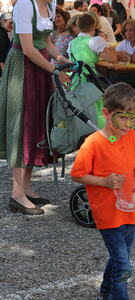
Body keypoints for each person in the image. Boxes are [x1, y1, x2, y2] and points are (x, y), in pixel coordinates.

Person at [70, 82, 135, 300]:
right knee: (123, 265)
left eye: (133, 118)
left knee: (119, 258)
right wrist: (103, 182)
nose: (128, 124)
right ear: (106, 113)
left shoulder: (132, 138)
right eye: (123, 117)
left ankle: (105, 291)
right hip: (108, 214)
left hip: (129, 209)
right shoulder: (93, 144)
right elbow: (77, 174)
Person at [0, 0, 70, 215]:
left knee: (36, 126)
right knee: (23, 126)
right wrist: (55, 71)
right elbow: (29, 49)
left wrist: (59, 57)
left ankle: (27, 188)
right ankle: (17, 194)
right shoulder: (24, 5)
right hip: (22, 70)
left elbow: (46, 41)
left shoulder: (49, 6)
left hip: (41, 69)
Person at [68, 12, 116, 128]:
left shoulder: (71, 43)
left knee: (82, 112)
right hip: (91, 83)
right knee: (98, 111)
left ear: (78, 27)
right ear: (94, 26)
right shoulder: (95, 41)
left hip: (75, 82)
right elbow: (112, 58)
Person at [0, 13, 13, 78]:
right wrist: (5, 75)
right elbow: (1, 58)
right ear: (2, 21)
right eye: (10, 22)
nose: (12, 26)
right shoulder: (2, 35)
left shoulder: (3, 33)